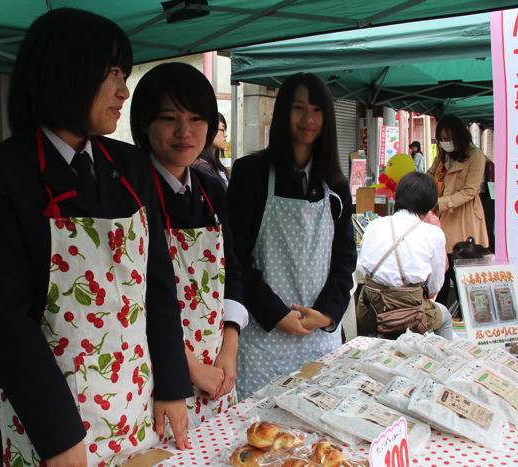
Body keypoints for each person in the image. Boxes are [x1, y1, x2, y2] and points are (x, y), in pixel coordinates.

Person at [0, 9, 192, 466]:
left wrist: (172, 387)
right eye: (112, 74)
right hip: (54, 421)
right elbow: (7, 321)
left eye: (124, 75)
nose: (124, 90)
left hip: (138, 402)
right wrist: (59, 438)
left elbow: (159, 288)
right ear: (64, 70)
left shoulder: (130, 167)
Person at [130, 62, 249, 427]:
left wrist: (229, 349)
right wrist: (190, 368)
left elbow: (235, 269)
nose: (185, 132)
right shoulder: (129, 190)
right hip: (158, 373)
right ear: (145, 124)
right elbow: (136, 295)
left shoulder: (211, 187)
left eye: (197, 119)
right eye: (169, 118)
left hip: (217, 369)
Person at [228, 72, 357, 399]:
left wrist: (327, 313)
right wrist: (276, 313)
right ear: (283, 112)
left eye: (317, 110)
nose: (308, 119)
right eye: (298, 108)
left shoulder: (336, 183)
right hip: (263, 336)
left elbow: (344, 260)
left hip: (320, 335)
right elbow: (237, 258)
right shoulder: (250, 174)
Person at [356, 172, 453, 340]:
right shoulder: (433, 233)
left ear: (397, 196)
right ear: (430, 205)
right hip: (411, 314)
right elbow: (434, 286)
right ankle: (445, 365)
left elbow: (365, 267)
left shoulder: (374, 225)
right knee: (445, 317)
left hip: (370, 311)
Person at [427, 115, 488, 306]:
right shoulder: (443, 155)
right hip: (442, 217)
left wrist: (441, 203)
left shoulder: (476, 155)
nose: (445, 143)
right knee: (441, 273)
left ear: (459, 136)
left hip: (464, 218)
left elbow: (470, 191)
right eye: (442, 139)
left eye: (448, 138)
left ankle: (467, 316)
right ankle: (441, 317)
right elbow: (430, 174)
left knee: (461, 272)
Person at [194, 112, 230, 188]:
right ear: (209, 131)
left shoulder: (217, 165)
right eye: (222, 129)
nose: (225, 135)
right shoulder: (202, 166)